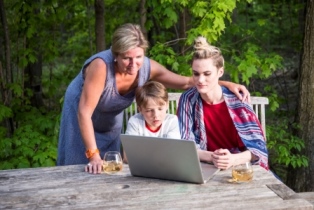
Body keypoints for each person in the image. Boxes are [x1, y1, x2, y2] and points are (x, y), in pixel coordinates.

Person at [57, 23, 250, 174]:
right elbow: (84, 112)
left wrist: (224, 84)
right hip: (82, 116)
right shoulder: (101, 67)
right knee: (82, 168)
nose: (134, 65)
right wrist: (93, 155)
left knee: (110, 165)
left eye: (139, 57)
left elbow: (186, 82)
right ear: (115, 55)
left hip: (110, 119)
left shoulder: (147, 67)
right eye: (127, 58)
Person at [177, 36, 269, 170]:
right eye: (196, 74)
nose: (200, 80)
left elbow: (258, 148)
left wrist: (233, 159)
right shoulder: (188, 99)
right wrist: (212, 157)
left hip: (241, 166)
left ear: (220, 72)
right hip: (204, 166)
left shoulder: (238, 99)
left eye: (207, 74)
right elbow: (185, 144)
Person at [123, 81, 181, 163]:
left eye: (160, 109)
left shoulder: (172, 121)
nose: (156, 115)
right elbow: (127, 156)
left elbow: (173, 152)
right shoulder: (135, 122)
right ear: (140, 109)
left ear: (167, 105)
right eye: (149, 110)